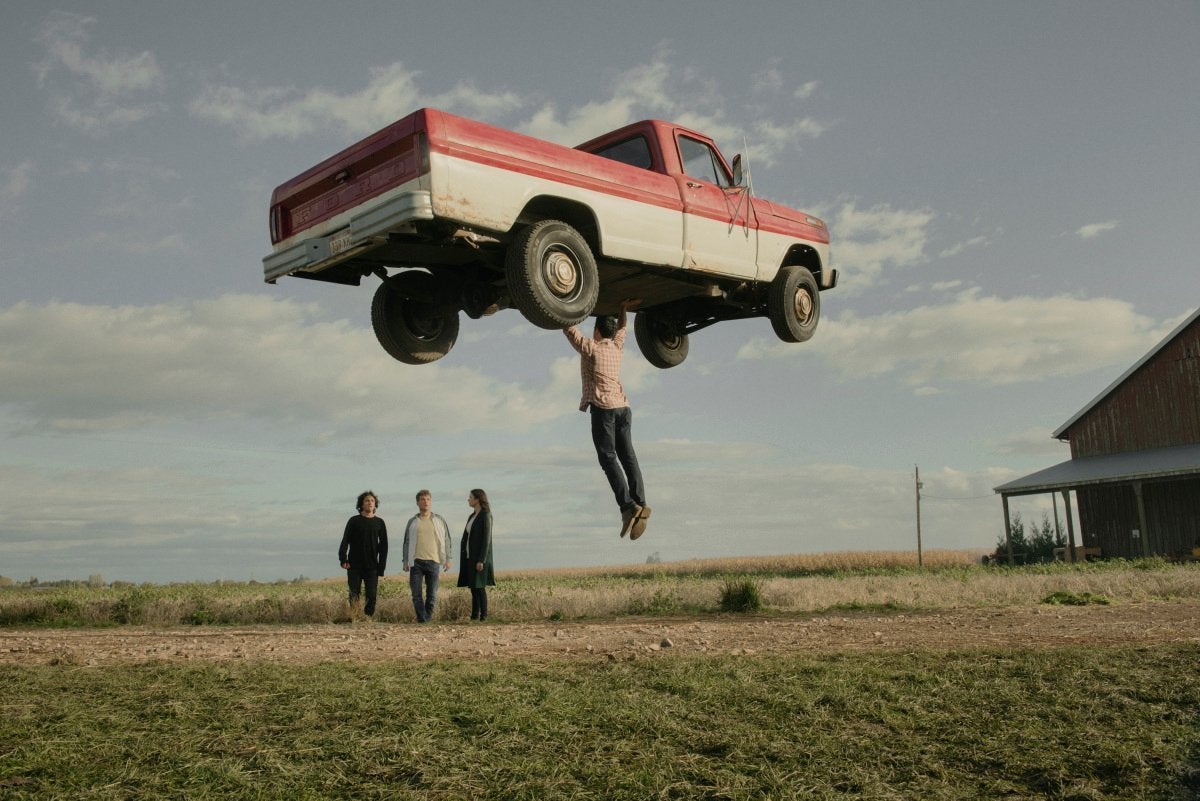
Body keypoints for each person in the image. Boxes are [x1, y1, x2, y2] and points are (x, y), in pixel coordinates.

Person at [564, 298, 651, 540]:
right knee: (628, 456)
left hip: (604, 410)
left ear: (597, 330)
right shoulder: (617, 347)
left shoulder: (591, 348)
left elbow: (568, 328)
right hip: (624, 407)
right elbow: (624, 328)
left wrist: (570, 307)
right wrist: (623, 310)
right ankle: (640, 502)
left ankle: (627, 507)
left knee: (608, 457)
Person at [402, 489, 451, 623]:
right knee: (416, 595)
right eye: (423, 499)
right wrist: (405, 560)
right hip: (416, 562)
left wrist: (448, 559)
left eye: (428, 499)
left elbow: (446, 539)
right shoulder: (413, 521)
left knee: (432, 595)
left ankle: (427, 619)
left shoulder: (438, 520)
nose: (426, 502)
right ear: (418, 503)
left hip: (434, 562)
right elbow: (406, 541)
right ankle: (422, 619)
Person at [338, 490, 388, 619]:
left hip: (372, 566)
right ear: (361, 504)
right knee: (354, 593)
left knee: (371, 595)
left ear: (375, 504)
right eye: (367, 500)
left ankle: (368, 618)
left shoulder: (379, 522)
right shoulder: (354, 521)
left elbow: (384, 546)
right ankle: (354, 616)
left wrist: (381, 567)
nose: (370, 503)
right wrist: (343, 558)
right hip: (354, 564)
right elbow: (345, 540)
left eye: (372, 501)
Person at [456, 488, 496, 621]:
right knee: (473, 587)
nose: (468, 499)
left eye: (470, 497)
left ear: (478, 499)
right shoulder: (472, 516)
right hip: (470, 557)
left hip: (479, 558)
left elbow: (487, 540)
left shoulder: (486, 515)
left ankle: (484, 616)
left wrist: (482, 560)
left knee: (479, 587)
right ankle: (474, 616)